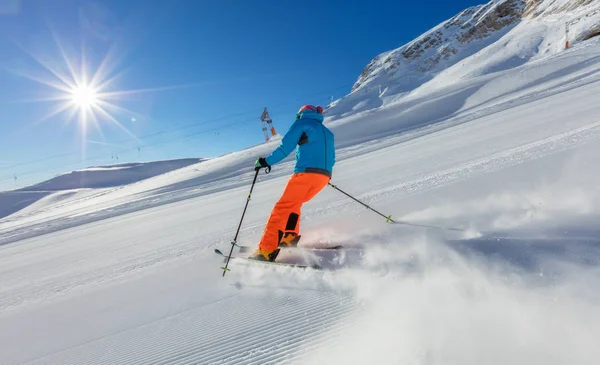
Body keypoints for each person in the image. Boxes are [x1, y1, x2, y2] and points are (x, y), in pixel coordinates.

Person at [251, 105, 335, 261]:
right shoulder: (327, 132)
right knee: (294, 205)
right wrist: (320, 173)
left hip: (306, 174)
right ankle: (289, 238)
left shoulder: (302, 123)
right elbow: (332, 158)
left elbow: (285, 148)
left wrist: (265, 162)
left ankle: (266, 250)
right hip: (323, 177)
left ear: (301, 114)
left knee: (282, 208)